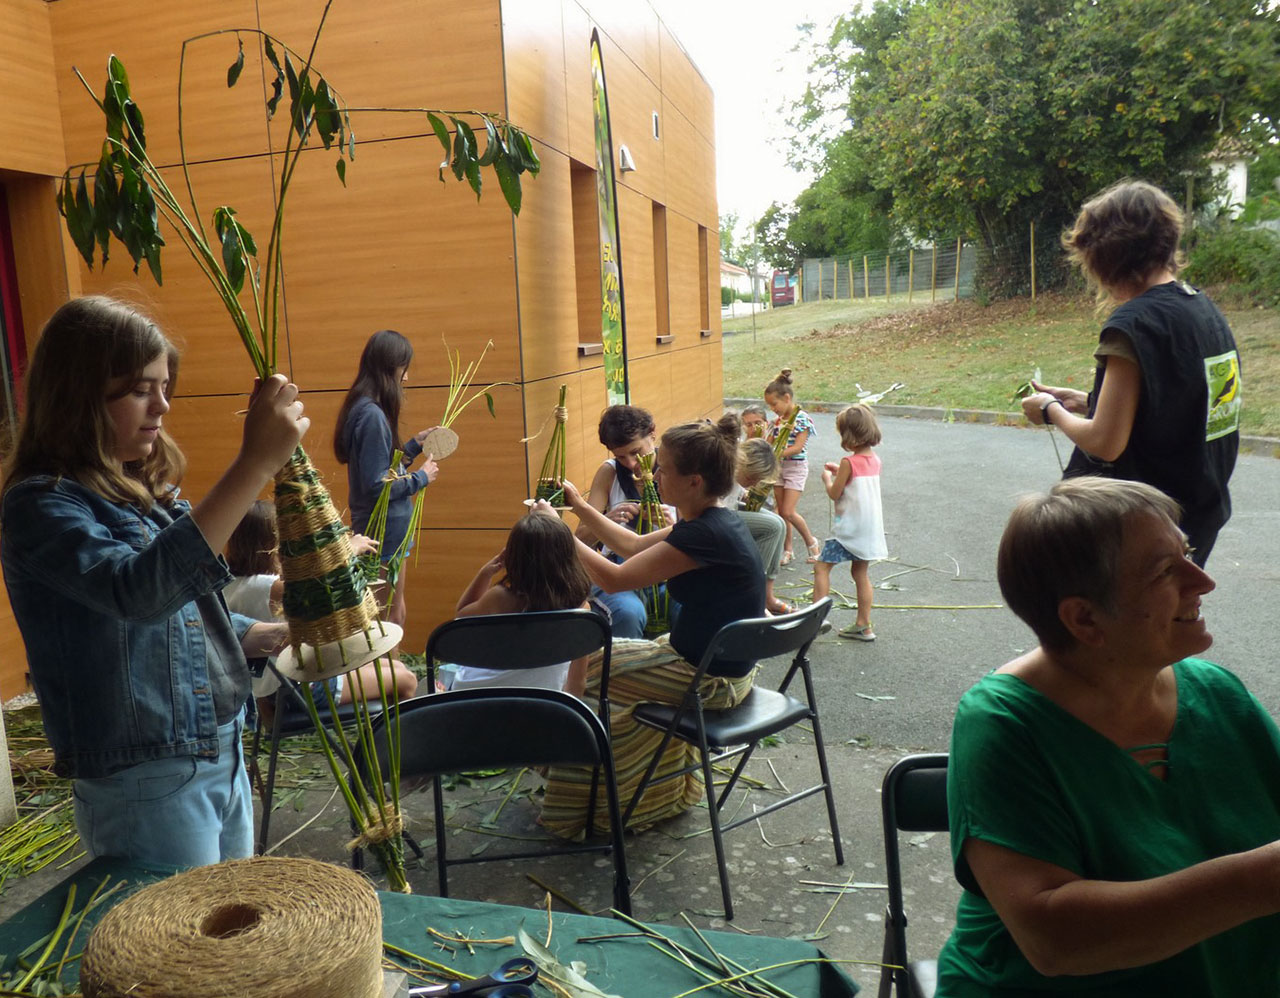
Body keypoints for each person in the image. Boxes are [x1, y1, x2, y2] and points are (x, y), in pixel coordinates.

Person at [938, 477, 1280, 996]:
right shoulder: (1004, 724)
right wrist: (1263, 879)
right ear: (1085, 618)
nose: (1202, 581)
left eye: (1186, 553)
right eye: (1166, 571)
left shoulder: (1217, 694)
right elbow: (1054, 939)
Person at [0, 296, 307, 867]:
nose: (162, 406)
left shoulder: (141, 492)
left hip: (219, 749)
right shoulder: (43, 505)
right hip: (147, 778)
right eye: (141, 389)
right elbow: (137, 592)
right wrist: (254, 464)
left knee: (228, 931)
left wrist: (253, 631)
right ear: (80, 393)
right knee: (177, 948)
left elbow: (177, 612)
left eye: (165, 386)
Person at [541, 414, 766, 838]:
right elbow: (629, 545)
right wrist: (579, 507)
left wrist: (560, 535)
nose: (654, 473)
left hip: (705, 680)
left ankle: (581, 803)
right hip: (713, 667)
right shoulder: (711, 522)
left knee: (581, 674)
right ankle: (647, 791)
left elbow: (613, 577)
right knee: (587, 667)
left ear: (694, 481)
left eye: (662, 467)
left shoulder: (702, 535)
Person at [1020, 179, 1241, 567]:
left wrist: (1051, 409)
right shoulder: (1203, 310)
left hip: (1144, 521)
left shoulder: (1135, 323)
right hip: (1198, 514)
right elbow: (1182, 403)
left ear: (1107, 256)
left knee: (1112, 623)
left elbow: (1105, 443)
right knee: (1171, 620)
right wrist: (1090, 402)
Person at [223, 499, 418, 709]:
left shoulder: (229, 583)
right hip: (295, 689)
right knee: (406, 680)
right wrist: (346, 550)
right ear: (273, 545)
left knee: (393, 666)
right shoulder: (266, 587)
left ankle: (380, 733)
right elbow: (315, 582)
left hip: (275, 687)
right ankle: (401, 737)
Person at [333, 329, 440, 627]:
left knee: (394, 611)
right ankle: (389, 675)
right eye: (403, 368)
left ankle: (395, 673)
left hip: (390, 531)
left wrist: (414, 446)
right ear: (389, 366)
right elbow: (377, 485)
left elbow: (384, 467)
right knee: (384, 619)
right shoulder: (372, 416)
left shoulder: (367, 409)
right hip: (382, 533)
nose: (405, 377)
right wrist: (421, 478)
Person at [450, 511, 594, 693]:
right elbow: (577, 682)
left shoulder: (500, 599)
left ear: (513, 556)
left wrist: (485, 572)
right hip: (543, 701)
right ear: (570, 557)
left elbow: (461, 615)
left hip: (480, 695)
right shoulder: (581, 612)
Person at [574, 404, 664, 638]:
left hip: (667, 563)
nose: (631, 464)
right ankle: (623, 672)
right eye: (620, 456)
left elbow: (697, 524)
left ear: (652, 432)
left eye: (636, 452)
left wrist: (669, 521)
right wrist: (605, 521)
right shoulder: (610, 472)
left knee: (685, 607)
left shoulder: (673, 467)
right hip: (617, 565)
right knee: (628, 613)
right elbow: (579, 538)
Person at [812, 404, 887, 641]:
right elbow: (857, 483)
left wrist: (827, 478)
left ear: (848, 434)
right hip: (869, 529)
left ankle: (815, 621)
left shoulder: (848, 462)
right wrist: (840, 472)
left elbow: (835, 493)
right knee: (860, 573)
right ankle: (864, 625)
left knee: (822, 567)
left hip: (848, 530)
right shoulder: (874, 459)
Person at [727, 436, 791, 615]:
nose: (755, 483)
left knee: (780, 523)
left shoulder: (738, 473)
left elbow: (734, 494)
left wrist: (746, 495)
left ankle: (767, 596)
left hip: (730, 511)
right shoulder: (725, 469)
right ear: (745, 465)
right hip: (721, 517)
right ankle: (754, 593)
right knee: (772, 527)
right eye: (753, 478)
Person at [764, 369, 820, 565]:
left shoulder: (801, 419)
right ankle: (787, 550)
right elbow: (768, 442)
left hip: (795, 468)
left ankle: (812, 543)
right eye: (769, 405)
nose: (773, 408)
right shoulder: (777, 422)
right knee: (781, 512)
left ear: (786, 398)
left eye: (774, 404)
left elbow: (797, 448)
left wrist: (775, 452)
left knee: (788, 511)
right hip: (778, 469)